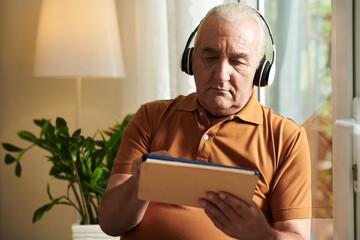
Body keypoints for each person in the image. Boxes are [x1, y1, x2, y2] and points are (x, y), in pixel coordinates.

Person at [99, 3, 312, 240]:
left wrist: (262, 235)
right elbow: (110, 224)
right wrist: (142, 182)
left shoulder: (286, 138)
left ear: (261, 71)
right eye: (210, 57)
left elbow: (297, 237)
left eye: (237, 62)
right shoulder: (151, 117)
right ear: (191, 61)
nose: (221, 74)